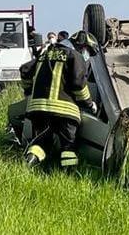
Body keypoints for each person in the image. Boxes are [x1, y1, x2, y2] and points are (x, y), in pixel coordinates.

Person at [21, 40, 98, 169]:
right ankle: (68, 176)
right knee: (68, 146)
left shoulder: (45, 53)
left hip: (39, 109)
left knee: (40, 143)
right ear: (83, 46)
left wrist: (28, 90)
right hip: (65, 110)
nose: (87, 55)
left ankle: (27, 167)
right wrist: (89, 104)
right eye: (88, 51)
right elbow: (78, 86)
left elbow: (25, 70)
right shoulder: (75, 56)